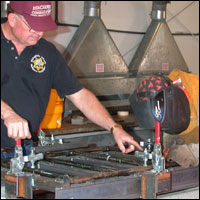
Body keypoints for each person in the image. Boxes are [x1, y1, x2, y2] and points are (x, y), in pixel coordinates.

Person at [1, 1, 143, 158]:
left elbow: (81, 97)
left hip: (22, 148)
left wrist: (115, 128)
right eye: (33, 26)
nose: (40, 32)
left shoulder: (47, 52)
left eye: (43, 26)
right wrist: (7, 113)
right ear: (13, 19)